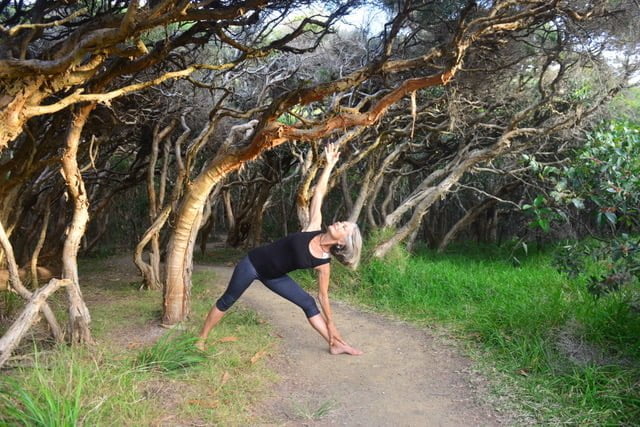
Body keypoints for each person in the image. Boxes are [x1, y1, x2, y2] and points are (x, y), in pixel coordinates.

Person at [197, 143, 363, 355]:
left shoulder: (323, 263)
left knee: (308, 302)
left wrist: (331, 324)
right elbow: (319, 194)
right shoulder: (313, 227)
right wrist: (329, 165)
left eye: (344, 227)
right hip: (252, 264)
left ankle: (336, 343)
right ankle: (201, 339)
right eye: (343, 222)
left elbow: (324, 297)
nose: (340, 222)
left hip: (274, 276)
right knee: (228, 299)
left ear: (342, 243)